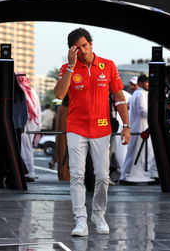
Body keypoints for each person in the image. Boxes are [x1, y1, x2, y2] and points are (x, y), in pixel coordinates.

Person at [54, 28, 130, 237]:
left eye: (85, 46)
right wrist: (71, 66)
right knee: (77, 175)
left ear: (91, 44)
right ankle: (80, 220)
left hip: (102, 127)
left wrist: (126, 125)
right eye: (77, 48)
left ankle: (98, 214)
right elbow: (60, 93)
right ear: (72, 50)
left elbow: (119, 97)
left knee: (103, 176)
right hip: (76, 128)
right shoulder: (66, 68)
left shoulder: (108, 65)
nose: (83, 51)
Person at [121, 74, 157, 183]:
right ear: (140, 83)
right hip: (142, 128)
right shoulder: (141, 94)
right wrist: (156, 112)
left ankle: (129, 175)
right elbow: (143, 111)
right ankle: (133, 176)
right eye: (146, 82)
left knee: (136, 153)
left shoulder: (138, 94)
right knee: (140, 153)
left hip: (139, 127)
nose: (148, 84)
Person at [17, 73, 42, 182]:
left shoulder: (22, 90)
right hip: (33, 123)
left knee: (24, 148)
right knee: (27, 148)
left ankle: (29, 172)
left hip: (26, 123)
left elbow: (25, 110)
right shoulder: (32, 91)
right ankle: (28, 171)